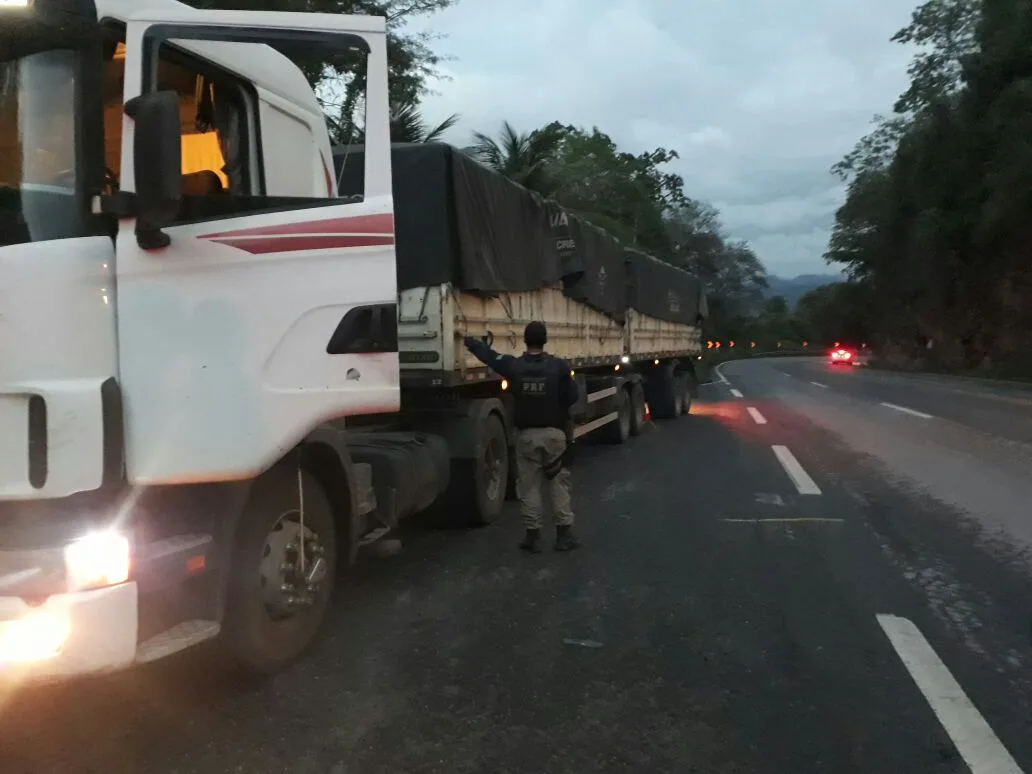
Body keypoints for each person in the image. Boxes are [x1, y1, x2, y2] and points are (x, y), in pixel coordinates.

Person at [464, 321, 580, 552]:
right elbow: (572, 397)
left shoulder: (514, 366)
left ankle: (533, 537)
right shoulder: (559, 367)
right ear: (545, 340)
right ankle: (564, 535)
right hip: (554, 437)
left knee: (529, 488)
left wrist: (471, 343)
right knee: (558, 485)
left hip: (526, 438)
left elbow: (491, 357)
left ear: (525, 340)